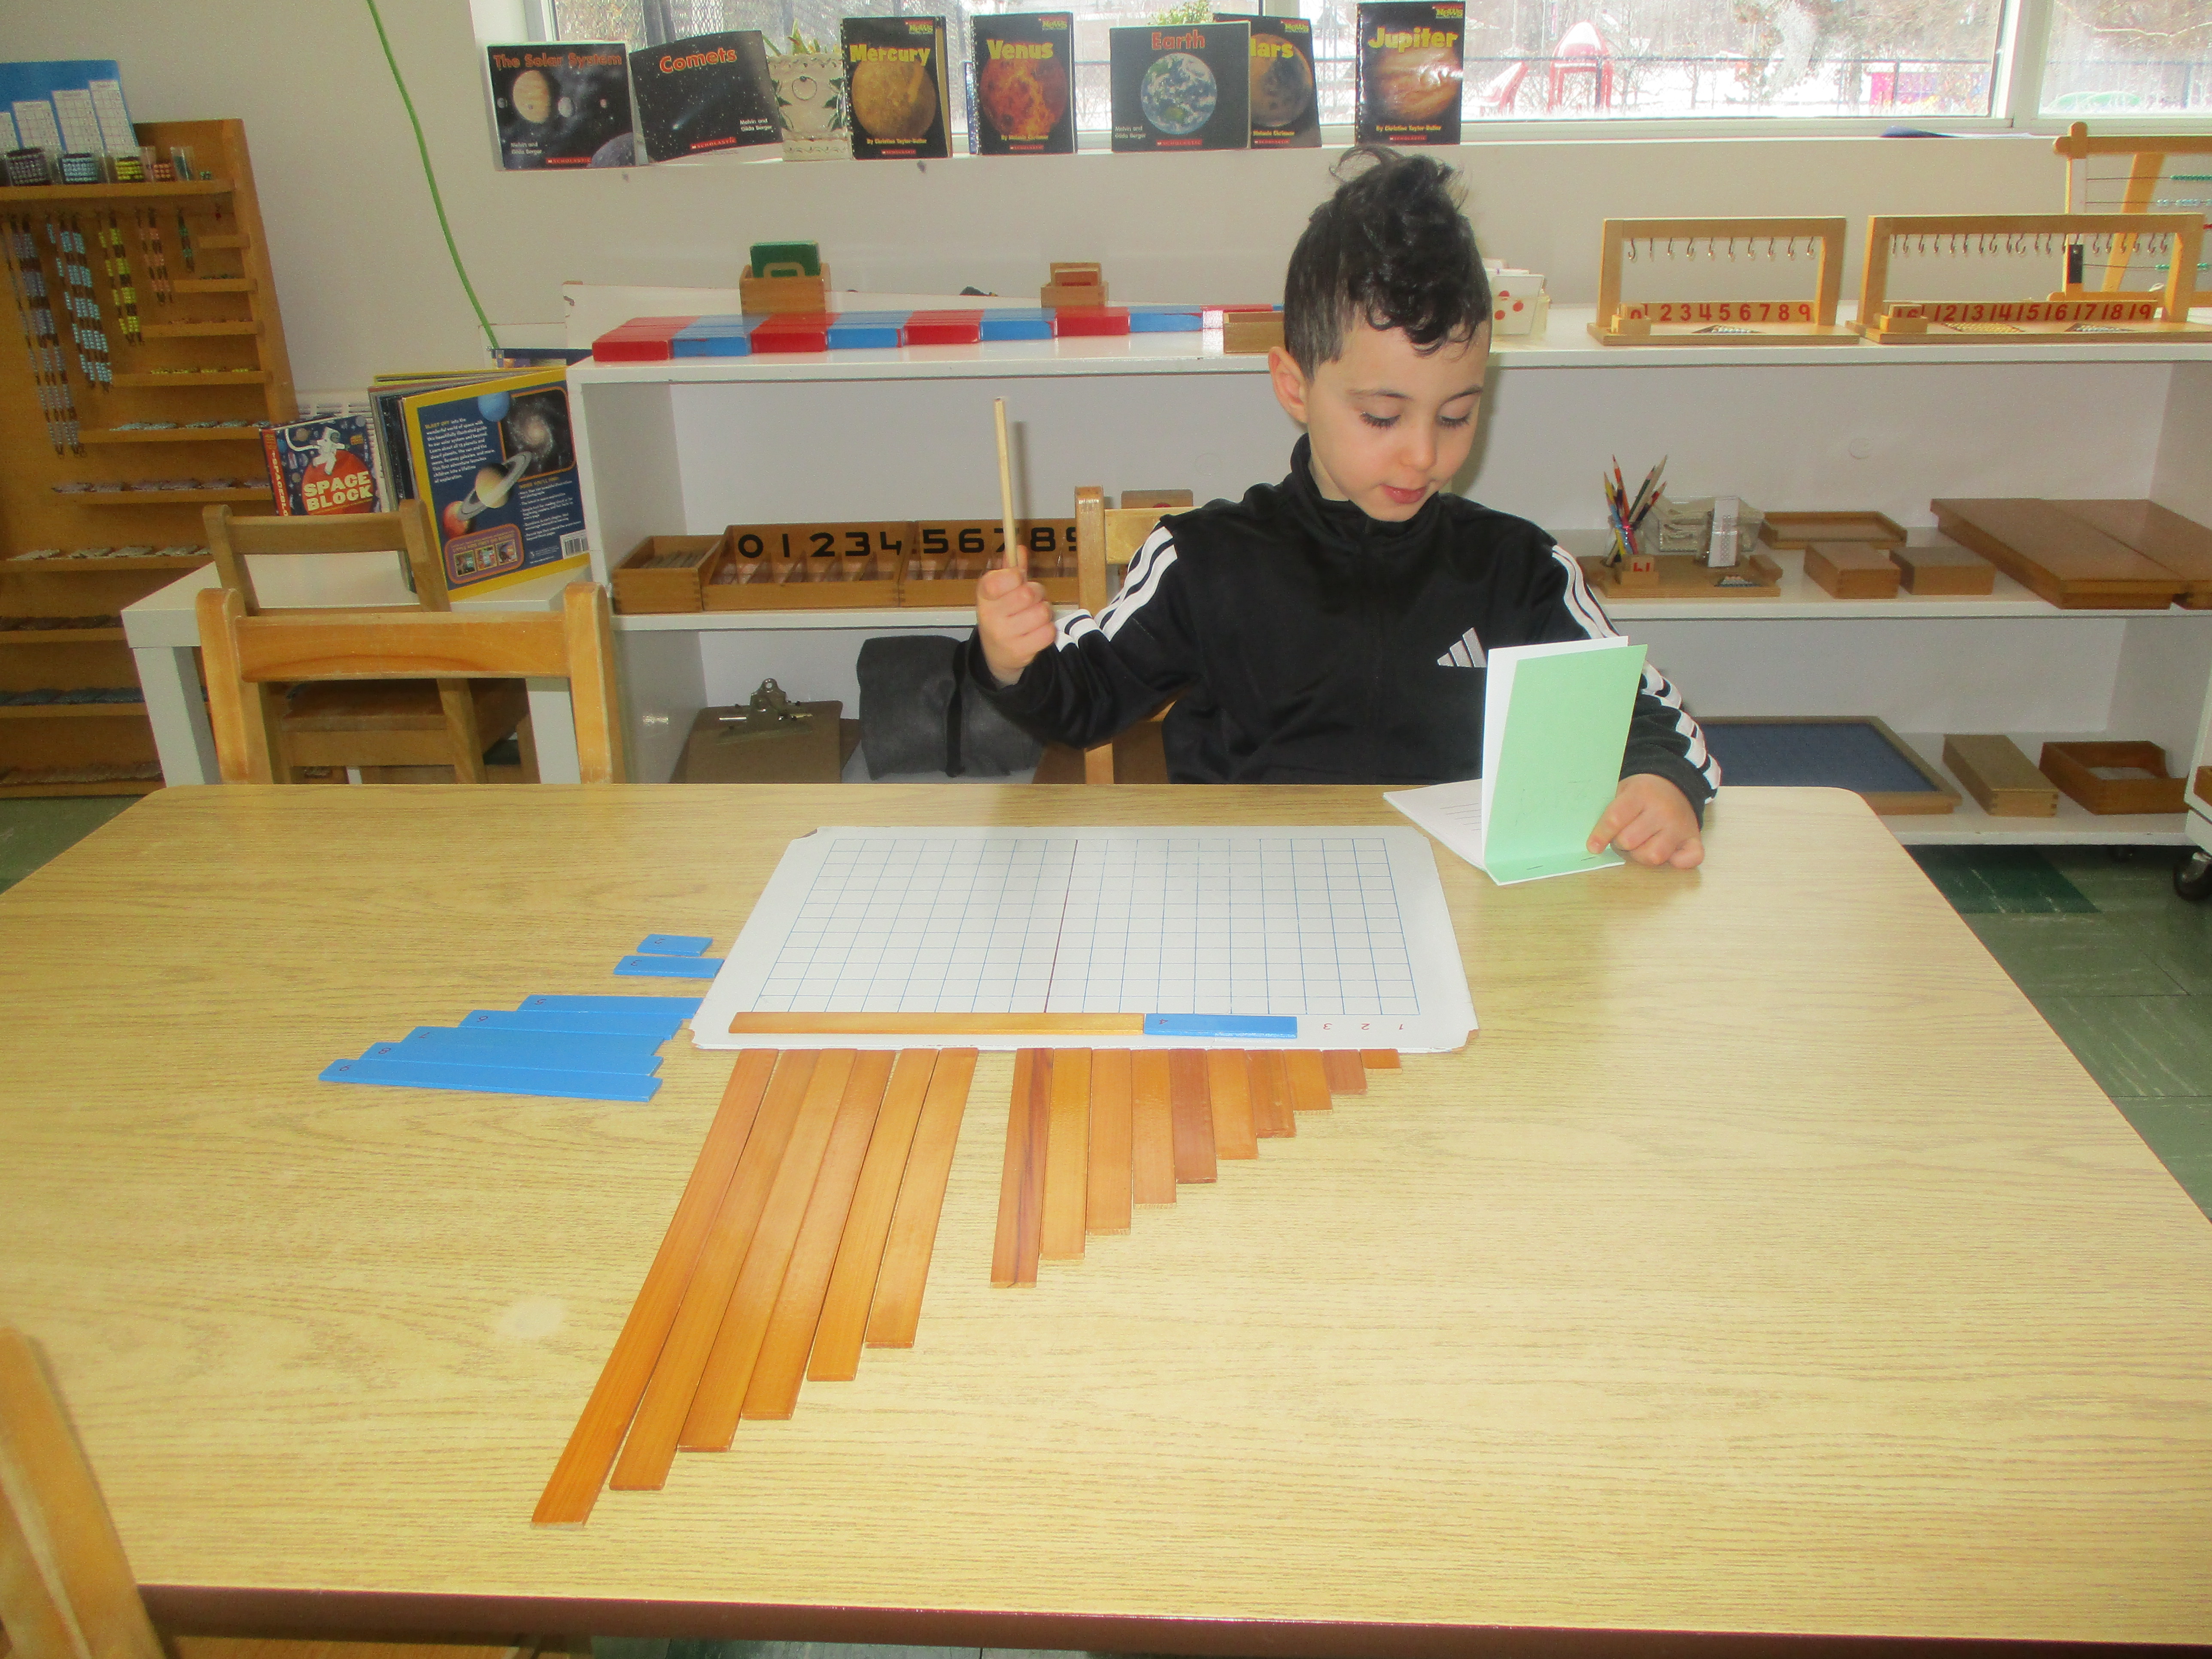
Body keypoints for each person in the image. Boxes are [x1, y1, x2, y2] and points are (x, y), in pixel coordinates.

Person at [966, 147, 1717, 869]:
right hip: (1243, 906)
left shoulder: (1520, 571)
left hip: (1450, 911)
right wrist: (1011, 662)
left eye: (1455, 416)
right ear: (1295, 387)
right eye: (1384, 418)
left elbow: (1647, 713)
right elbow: (1082, 701)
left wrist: (1660, 783)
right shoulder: (1205, 562)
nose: (1424, 455)